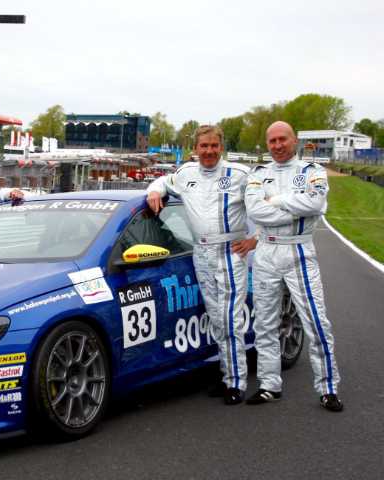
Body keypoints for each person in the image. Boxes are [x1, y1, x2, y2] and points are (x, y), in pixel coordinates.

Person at [147, 125, 257, 405]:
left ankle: (236, 383)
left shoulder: (241, 174)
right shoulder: (185, 174)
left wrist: (254, 239)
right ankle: (227, 375)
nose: (208, 151)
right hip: (202, 253)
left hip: (231, 251)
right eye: (203, 146)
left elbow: (264, 206)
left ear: (222, 147)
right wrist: (153, 191)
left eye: (213, 146)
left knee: (230, 318)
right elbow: (162, 181)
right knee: (216, 318)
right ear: (194, 149)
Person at [244, 121, 343, 411]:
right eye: (272, 140)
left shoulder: (312, 171)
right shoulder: (258, 173)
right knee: (264, 322)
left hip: (299, 249)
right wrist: (288, 207)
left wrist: (274, 201)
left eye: (282, 139)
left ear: (294, 140)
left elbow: (314, 204)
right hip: (266, 251)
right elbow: (255, 210)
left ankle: (328, 387)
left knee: (316, 321)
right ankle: (269, 385)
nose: (277, 145)